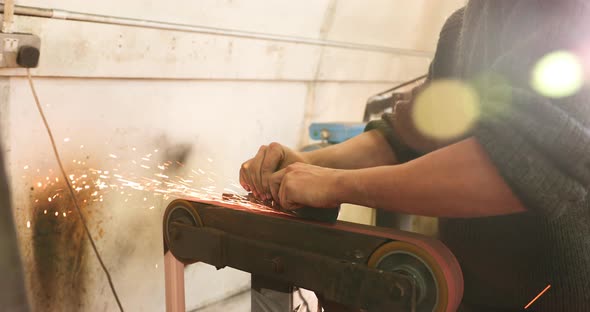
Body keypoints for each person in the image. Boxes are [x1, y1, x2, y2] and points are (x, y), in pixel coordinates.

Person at [240, 1, 590, 311]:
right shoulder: (463, 26)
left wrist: (336, 184)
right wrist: (310, 163)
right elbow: (407, 135)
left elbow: (523, 164)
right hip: (470, 295)